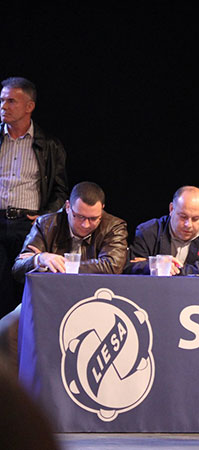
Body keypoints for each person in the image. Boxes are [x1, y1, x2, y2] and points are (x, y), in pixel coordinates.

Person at [1, 181, 127, 373]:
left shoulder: (114, 226)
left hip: (94, 302)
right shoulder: (46, 223)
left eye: (93, 219)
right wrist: (39, 258)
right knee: (5, 330)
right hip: (47, 300)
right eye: (79, 217)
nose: (86, 224)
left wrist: (64, 265)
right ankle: (16, 397)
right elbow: (18, 269)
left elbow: (113, 266)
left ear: (102, 210)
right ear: (68, 207)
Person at [0, 77, 68, 316]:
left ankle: (20, 346)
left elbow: (60, 191)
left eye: (11, 101)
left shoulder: (49, 145)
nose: (4, 106)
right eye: (2, 100)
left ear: (29, 106)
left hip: (27, 226)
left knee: (24, 288)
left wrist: (44, 218)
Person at [124, 186, 199, 276]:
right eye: (183, 217)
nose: (188, 225)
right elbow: (129, 266)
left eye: (196, 219)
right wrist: (151, 265)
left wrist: (166, 268)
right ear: (171, 209)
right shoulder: (148, 231)